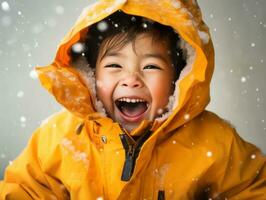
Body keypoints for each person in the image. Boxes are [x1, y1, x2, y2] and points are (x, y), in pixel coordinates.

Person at [1, 1, 265, 199]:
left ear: (179, 77)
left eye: (151, 67)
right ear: (92, 75)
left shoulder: (213, 141)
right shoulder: (62, 138)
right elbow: (25, 190)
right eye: (115, 65)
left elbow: (253, 189)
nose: (132, 79)